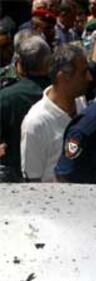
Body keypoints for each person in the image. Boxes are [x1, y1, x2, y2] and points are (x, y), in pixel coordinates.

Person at [21, 44, 91, 181]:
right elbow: (32, 181)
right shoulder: (36, 123)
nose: (89, 78)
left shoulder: (81, 103)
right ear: (63, 77)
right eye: (83, 73)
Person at [0, 36, 51, 182]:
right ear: (48, 62)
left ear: (19, 63)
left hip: (15, 182)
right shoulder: (62, 91)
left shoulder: (6, 97)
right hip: (55, 179)